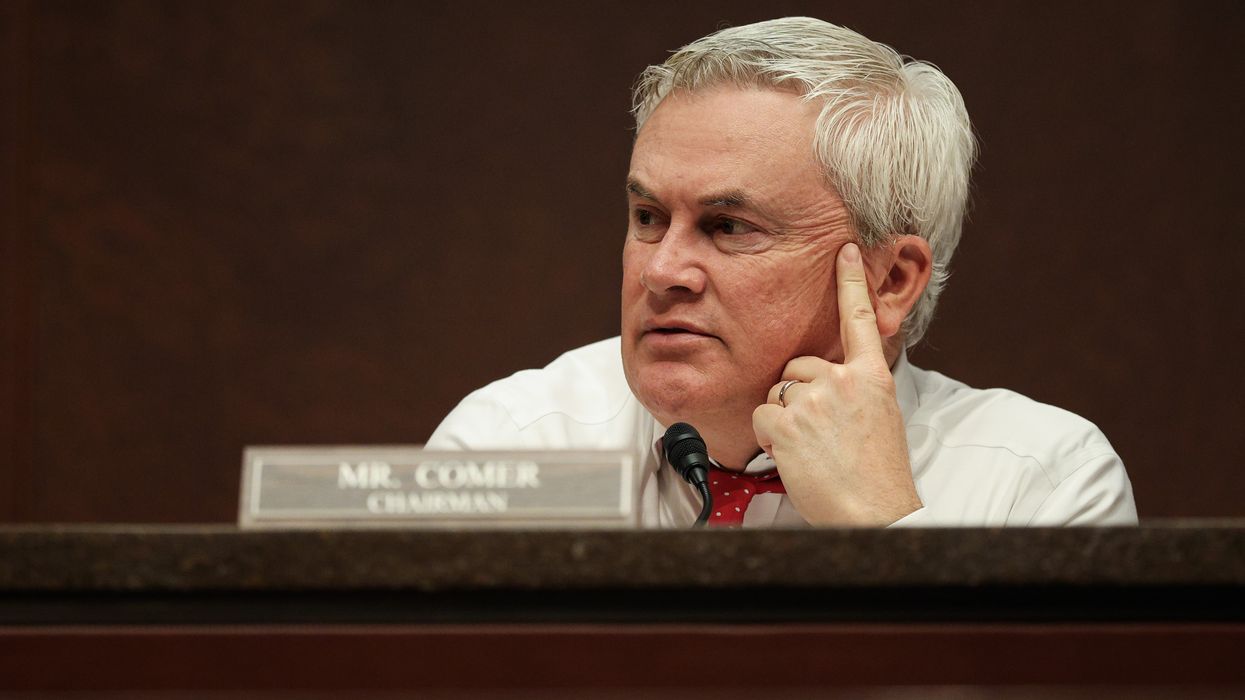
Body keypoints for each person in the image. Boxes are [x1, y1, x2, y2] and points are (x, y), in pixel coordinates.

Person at [427, 17, 1137, 528]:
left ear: (890, 280)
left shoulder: (1037, 482)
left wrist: (879, 532)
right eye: (647, 217)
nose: (663, 270)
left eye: (728, 227)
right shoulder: (512, 443)